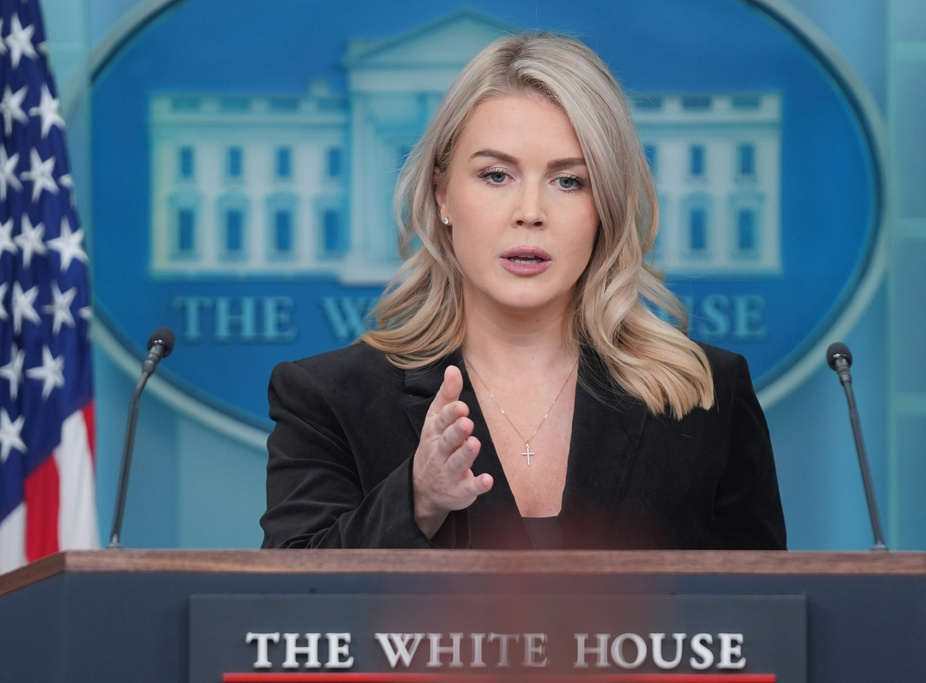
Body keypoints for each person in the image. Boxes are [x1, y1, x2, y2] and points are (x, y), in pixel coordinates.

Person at [260, 33, 786, 550]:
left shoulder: (704, 394)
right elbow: (286, 616)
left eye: (569, 181)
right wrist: (416, 501)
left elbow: (765, 621)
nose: (530, 212)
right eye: (496, 175)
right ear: (442, 195)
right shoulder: (327, 397)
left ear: (606, 208)